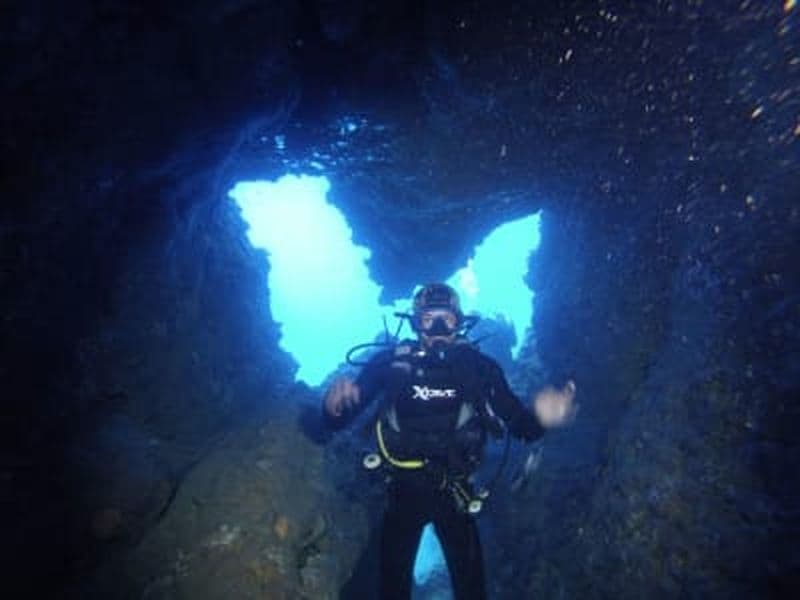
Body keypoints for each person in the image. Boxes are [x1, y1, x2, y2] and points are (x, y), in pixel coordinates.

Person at [323, 283, 577, 600]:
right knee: (391, 591)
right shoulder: (389, 365)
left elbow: (522, 427)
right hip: (402, 494)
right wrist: (332, 409)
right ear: (415, 322)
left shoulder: (480, 369)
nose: (439, 329)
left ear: (460, 322)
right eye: (429, 320)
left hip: (455, 495)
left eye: (448, 319)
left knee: (472, 592)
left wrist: (543, 418)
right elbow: (340, 420)